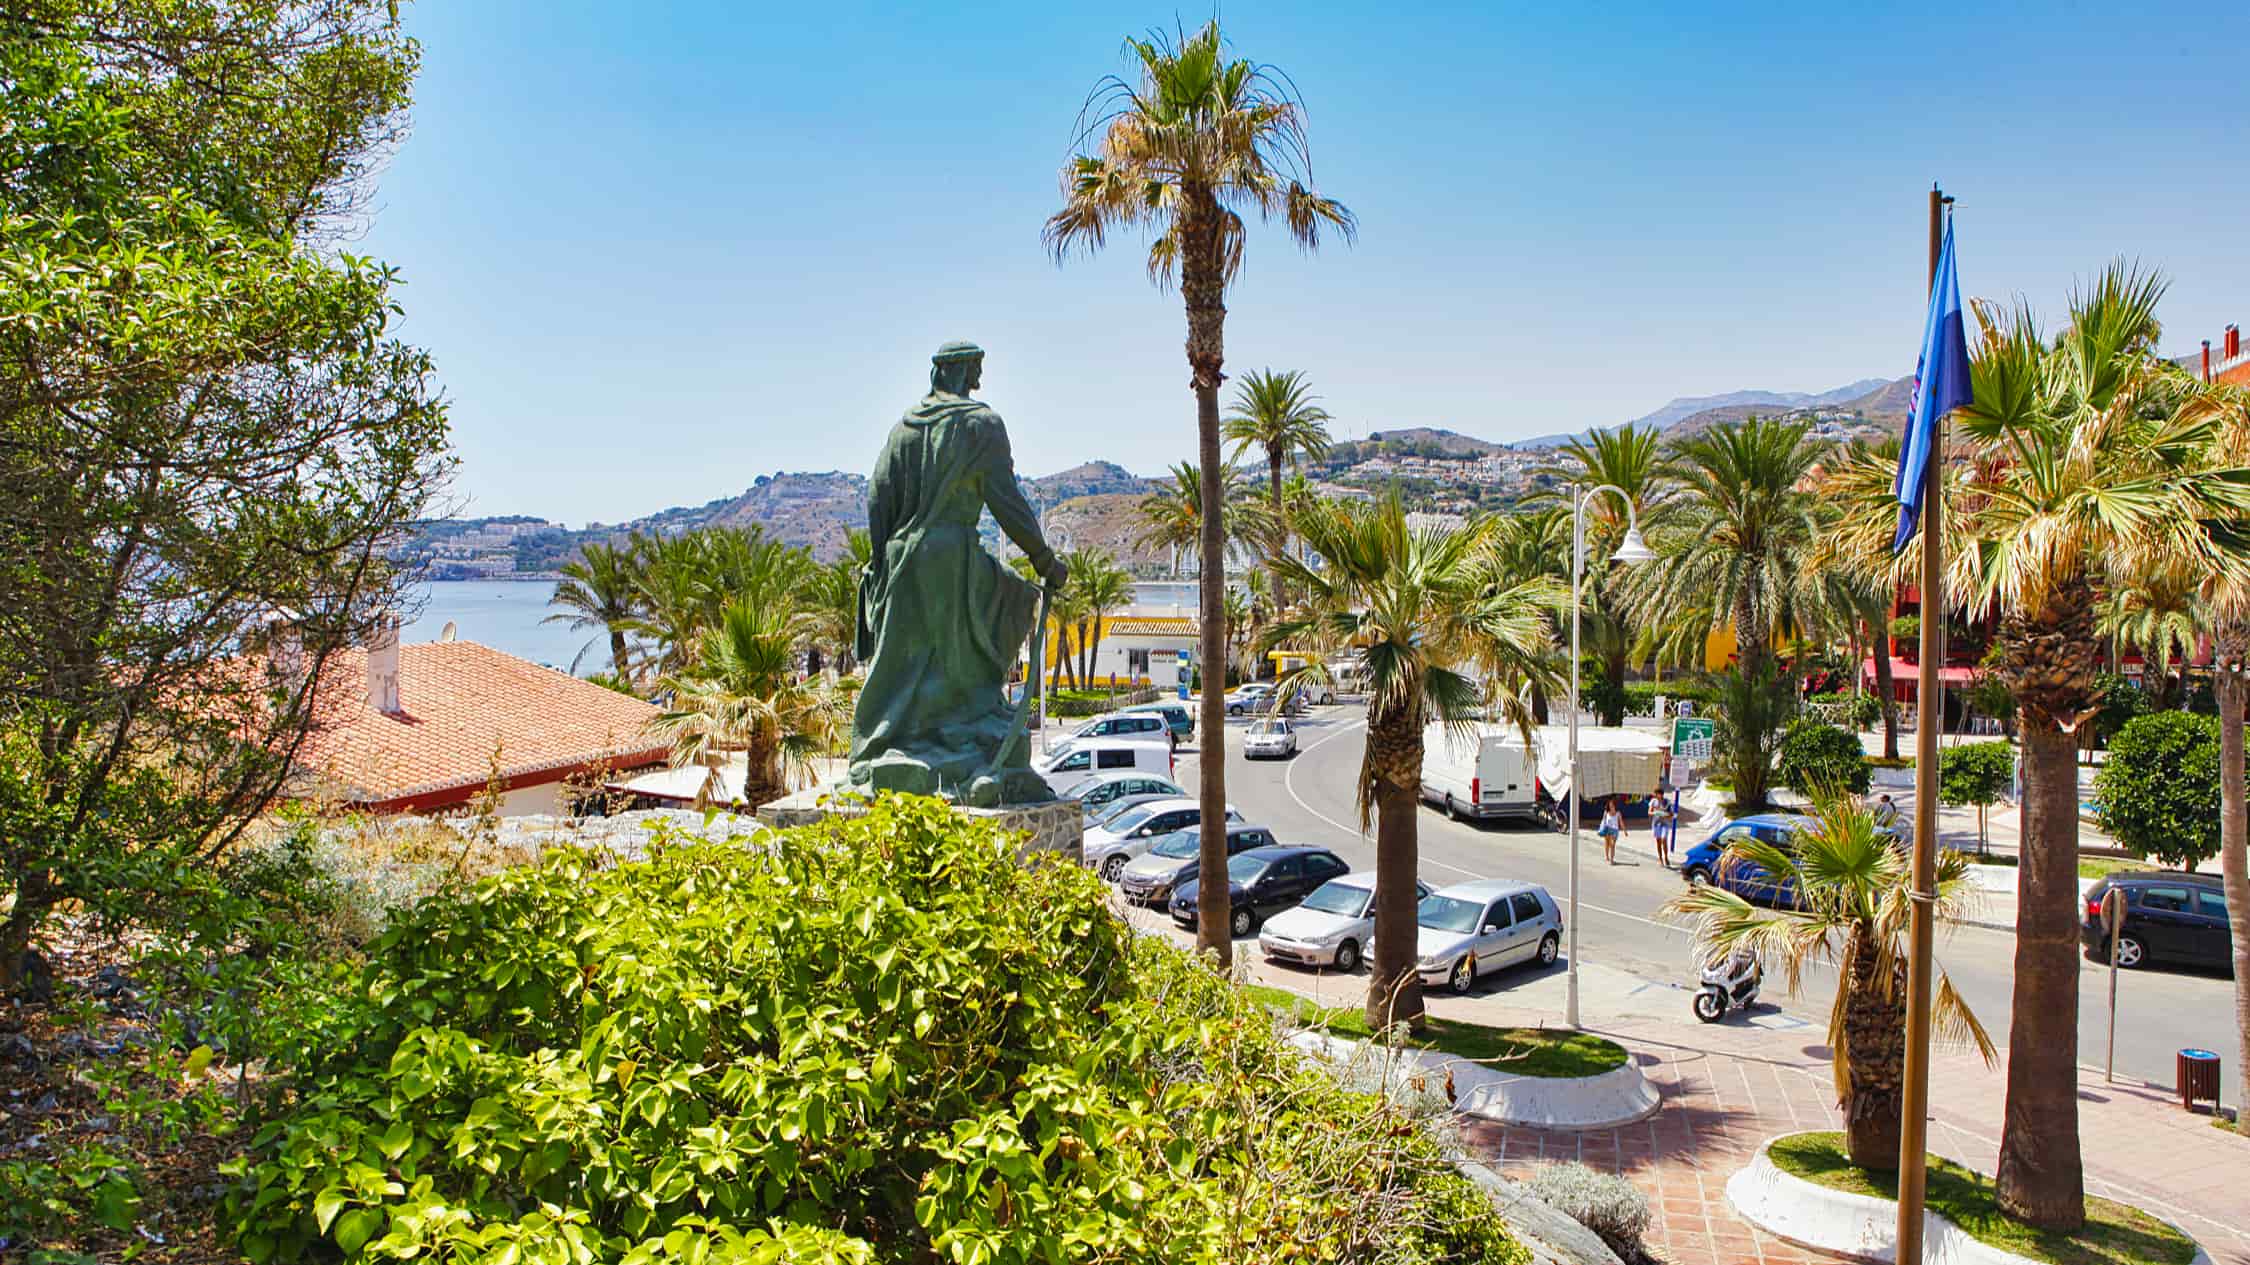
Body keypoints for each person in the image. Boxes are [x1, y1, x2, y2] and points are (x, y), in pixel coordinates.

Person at [849, 341, 1067, 802]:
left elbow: (877, 498)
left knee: (903, 667)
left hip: (902, 558)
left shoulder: (903, 431)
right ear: (957, 371)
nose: (979, 382)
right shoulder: (980, 425)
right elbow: (1006, 501)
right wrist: (1043, 560)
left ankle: (897, 746)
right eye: (975, 370)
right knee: (1004, 608)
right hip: (951, 558)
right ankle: (969, 729)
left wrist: (882, 559)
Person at [1647, 786, 1674, 869]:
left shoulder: (1667, 802)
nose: (1657, 796)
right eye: (1656, 794)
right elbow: (1649, 812)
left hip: (1665, 824)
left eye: (1658, 794)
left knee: (1664, 839)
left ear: (1661, 794)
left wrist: (1665, 815)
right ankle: (1660, 859)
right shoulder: (1653, 801)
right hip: (1656, 824)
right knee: (1658, 842)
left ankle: (1666, 857)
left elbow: (1671, 814)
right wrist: (1656, 813)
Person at [1598, 797, 1623, 864]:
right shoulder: (1606, 812)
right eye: (1610, 805)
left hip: (1615, 831)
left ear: (1615, 805)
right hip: (1607, 829)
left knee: (1612, 845)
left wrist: (1625, 831)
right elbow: (1603, 820)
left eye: (1612, 805)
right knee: (1607, 843)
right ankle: (1607, 856)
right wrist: (1602, 827)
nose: (1611, 806)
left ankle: (1612, 860)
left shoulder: (1618, 813)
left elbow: (1621, 822)